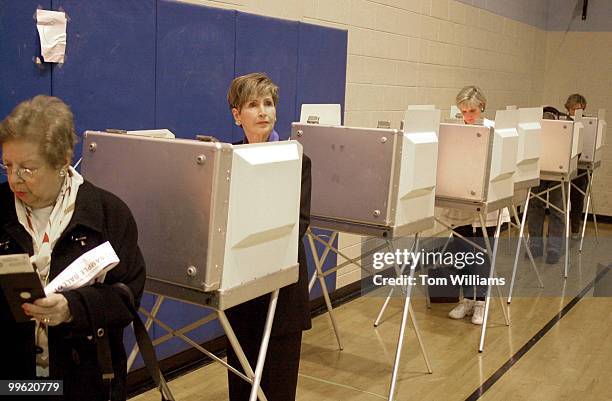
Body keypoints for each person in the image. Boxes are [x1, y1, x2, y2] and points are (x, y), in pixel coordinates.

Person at [0, 95, 146, 400]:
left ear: (63, 162)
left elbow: (128, 298)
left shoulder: (107, 213)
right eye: (8, 166)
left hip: (84, 381)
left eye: (28, 169)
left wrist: (73, 308)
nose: (15, 179)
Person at [224, 72, 312, 401]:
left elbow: (298, 223)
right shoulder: (227, 158)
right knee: (242, 385)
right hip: (240, 287)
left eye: (269, 103)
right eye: (252, 104)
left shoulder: (298, 160)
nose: (263, 111)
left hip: (282, 291)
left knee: (277, 385)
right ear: (237, 115)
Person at [444, 85, 498, 325]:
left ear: (482, 107)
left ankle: (481, 303)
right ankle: (466, 299)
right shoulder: (453, 131)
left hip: (487, 204)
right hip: (460, 203)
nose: (467, 116)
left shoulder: (495, 130)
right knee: (463, 253)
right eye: (463, 111)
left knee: (483, 255)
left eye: (472, 111)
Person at [566, 94, 588, 237]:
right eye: (574, 109)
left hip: (580, 166)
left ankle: (574, 228)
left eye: (580, 109)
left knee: (577, 198)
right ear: (568, 108)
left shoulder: (587, 123)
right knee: (561, 199)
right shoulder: (563, 122)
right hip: (565, 164)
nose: (576, 112)